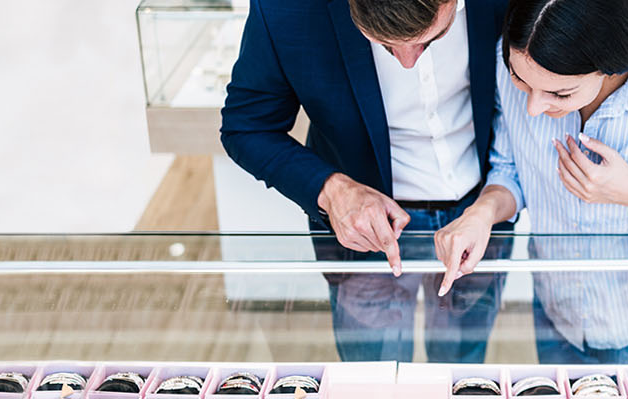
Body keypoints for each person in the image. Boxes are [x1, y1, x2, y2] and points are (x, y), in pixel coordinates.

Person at [432, 0, 628, 363]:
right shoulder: (515, 59)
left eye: (560, 94)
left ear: (610, 64)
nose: (533, 108)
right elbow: (509, 168)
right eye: (521, 82)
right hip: (555, 305)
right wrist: (482, 213)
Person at [219, 0, 513, 362]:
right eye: (385, 44)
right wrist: (332, 189)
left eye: (431, 39)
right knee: (372, 376)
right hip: (362, 232)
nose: (408, 62)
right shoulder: (287, 8)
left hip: (480, 216)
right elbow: (246, 126)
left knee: (461, 368)